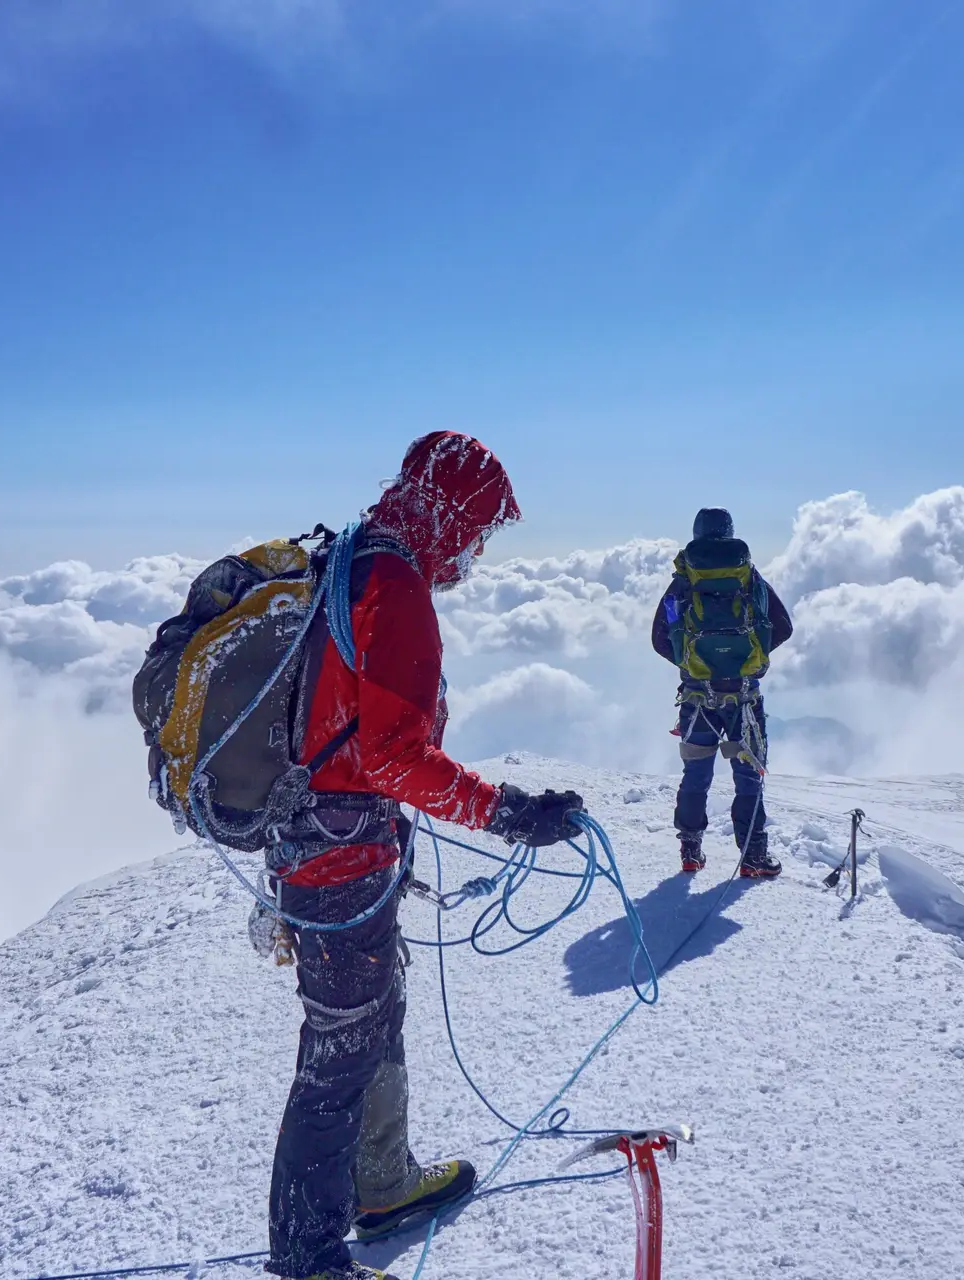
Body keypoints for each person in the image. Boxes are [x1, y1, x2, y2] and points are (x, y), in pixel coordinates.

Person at [266, 432, 586, 1280]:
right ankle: (309, 1260)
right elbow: (393, 758)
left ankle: (383, 1184)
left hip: (322, 843)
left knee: (370, 1018)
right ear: (452, 515)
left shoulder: (349, 554)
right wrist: (509, 812)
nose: (475, 552)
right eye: (477, 529)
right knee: (340, 1050)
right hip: (341, 855)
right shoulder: (395, 582)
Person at [648, 507, 793, 878]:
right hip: (744, 698)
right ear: (729, 533)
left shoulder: (683, 581)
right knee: (748, 778)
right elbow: (783, 626)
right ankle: (752, 857)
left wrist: (691, 664)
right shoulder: (749, 577)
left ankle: (691, 852)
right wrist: (750, 659)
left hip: (697, 699)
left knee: (696, 776)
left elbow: (659, 637)